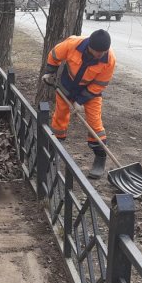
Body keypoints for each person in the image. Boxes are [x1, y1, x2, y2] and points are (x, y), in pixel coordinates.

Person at [41, 29, 116, 179]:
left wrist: (81, 100)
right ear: (90, 46)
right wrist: (50, 71)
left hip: (91, 91)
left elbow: (99, 84)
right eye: (98, 52)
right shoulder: (72, 44)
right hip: (67, 85)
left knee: (95, 123)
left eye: (103, 52)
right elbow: (54, 55)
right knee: (60, 118)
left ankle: (100, 158)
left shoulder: (109, 59)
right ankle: (55, 150)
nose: (100, 54)